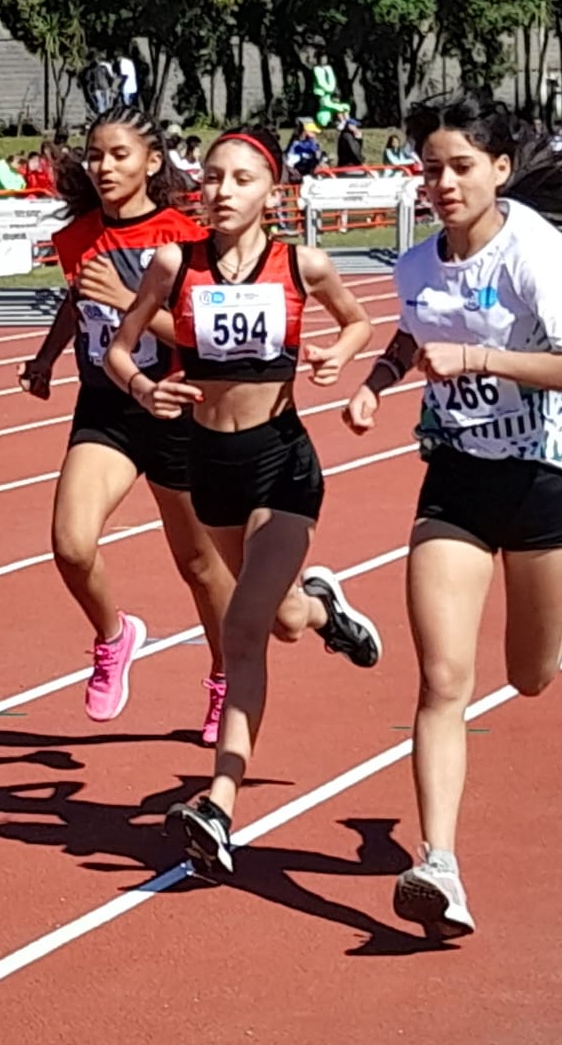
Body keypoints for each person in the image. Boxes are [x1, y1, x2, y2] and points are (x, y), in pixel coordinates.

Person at [342, 96, 562, 939]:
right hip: (459, 480)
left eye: (461, 166)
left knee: (530, 675)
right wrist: (373, 385)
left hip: (548, 478)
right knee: (441, 681)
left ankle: (553, 623)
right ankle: (438, 862)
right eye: (431, 167)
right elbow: (413, 331)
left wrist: (478, 358)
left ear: (501, 170)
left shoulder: (541, 259)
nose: (442, 182)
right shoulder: (415, 265)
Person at [104, 125, 383, 875]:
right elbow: (119, 345)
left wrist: (336, 357)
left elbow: (359, 321)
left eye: (241, 179)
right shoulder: (174, 263)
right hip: (209, 464)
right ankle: (324, 608)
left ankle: (218, 804)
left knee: (244, 631)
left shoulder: (303, 263)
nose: (222, 191)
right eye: (213, 178)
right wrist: (143, 387)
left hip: (282, 462)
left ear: (271, 192)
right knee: (284, 618)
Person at [15, 105, 236, 740]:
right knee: (71, 543)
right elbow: (77, 296)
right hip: (107, 407)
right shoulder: (81, 236)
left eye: (119, 154)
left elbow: (201, 339)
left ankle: (225, 678)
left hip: (173, 406)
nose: (105, 166)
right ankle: (114, 636)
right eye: (96, 155)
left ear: (152, 162)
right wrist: (47, 357)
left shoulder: (183, 240)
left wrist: (129, 302)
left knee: (198, 563)